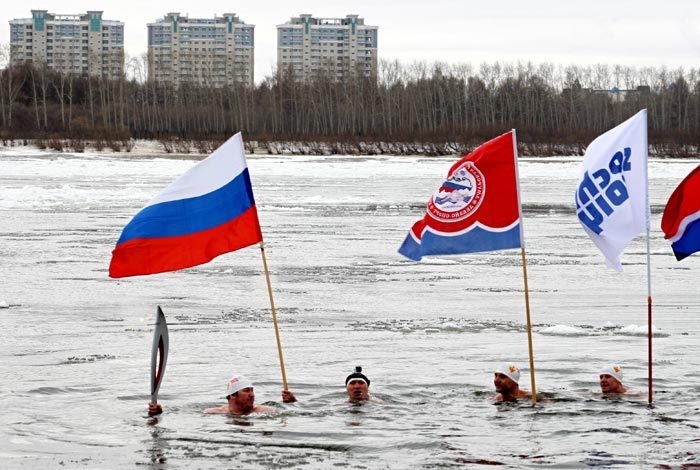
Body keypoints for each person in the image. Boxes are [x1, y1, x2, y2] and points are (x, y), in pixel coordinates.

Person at [147, 374, 296, 416]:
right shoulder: (213, 412)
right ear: (232, 396)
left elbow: (297, 415)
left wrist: (292, 403)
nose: (252, 395)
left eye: (252, 390)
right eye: (246, 390)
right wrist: (160, 413)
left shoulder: (264, 411)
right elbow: (180, 414)